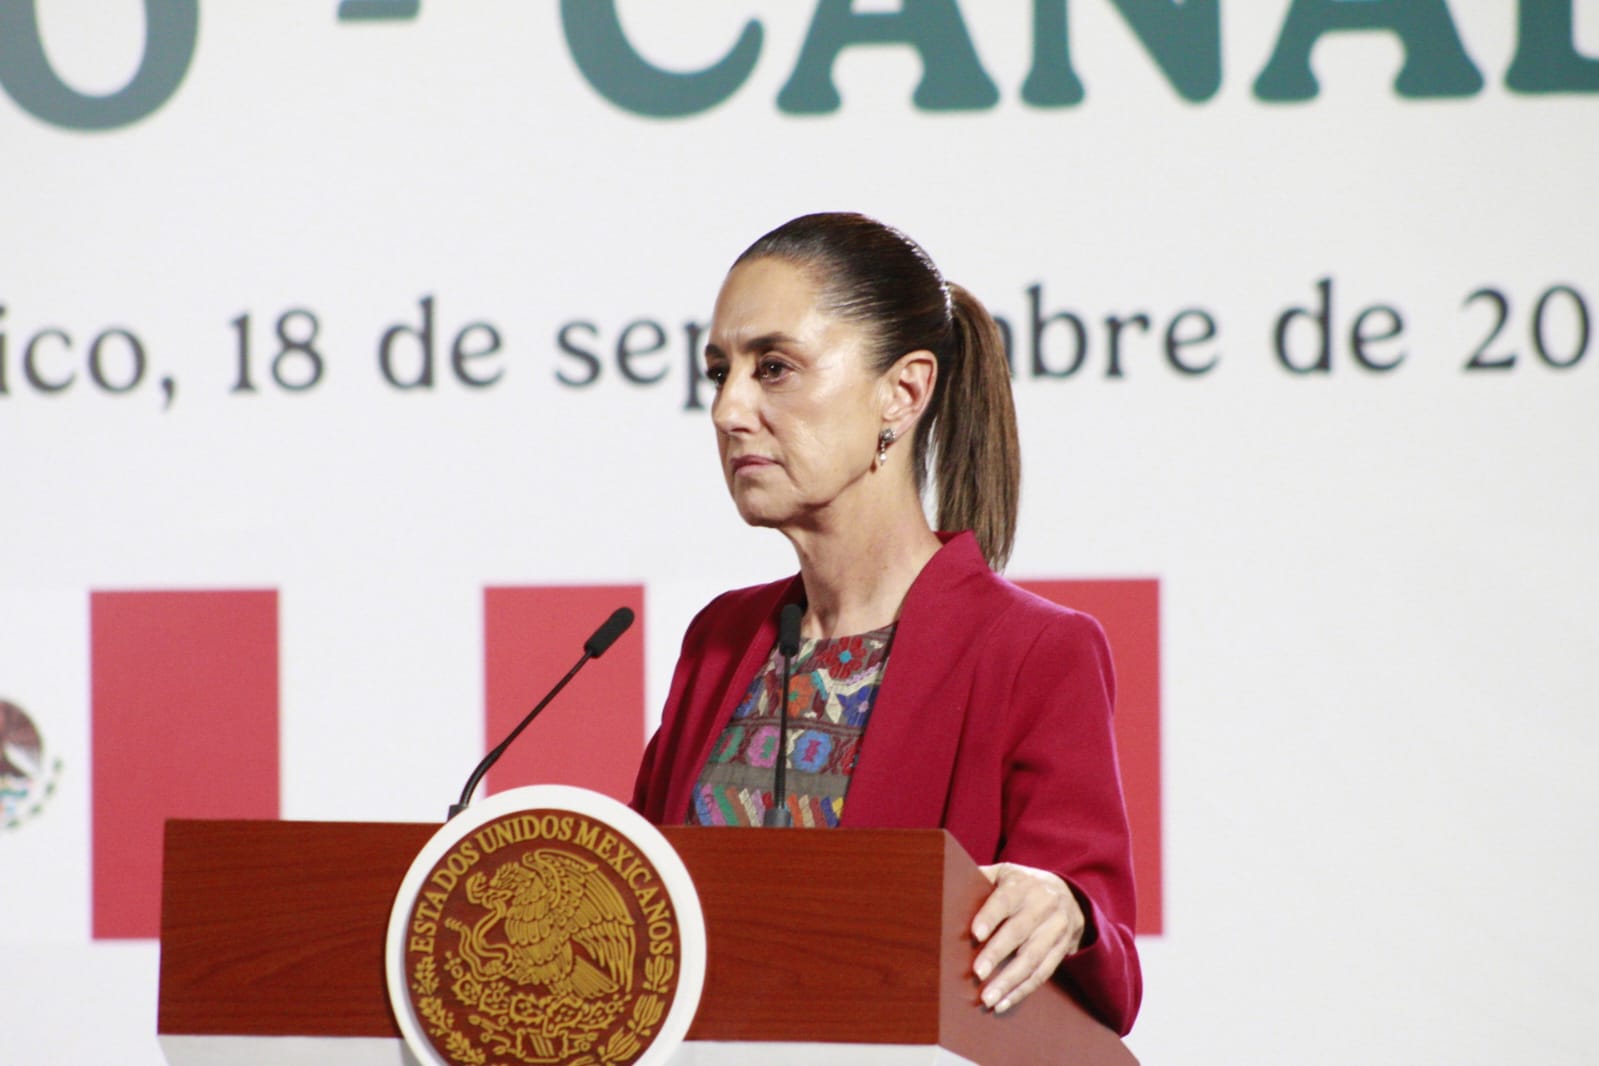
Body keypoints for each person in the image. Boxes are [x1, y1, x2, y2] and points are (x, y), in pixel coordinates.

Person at [630, 212, 1141, 1035]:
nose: (727, 409)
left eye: (773, 368)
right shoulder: (719, 640)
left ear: (901, 393)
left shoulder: (1034, 651)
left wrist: (1063, 909)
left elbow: (1102, 951)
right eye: (719, 371)